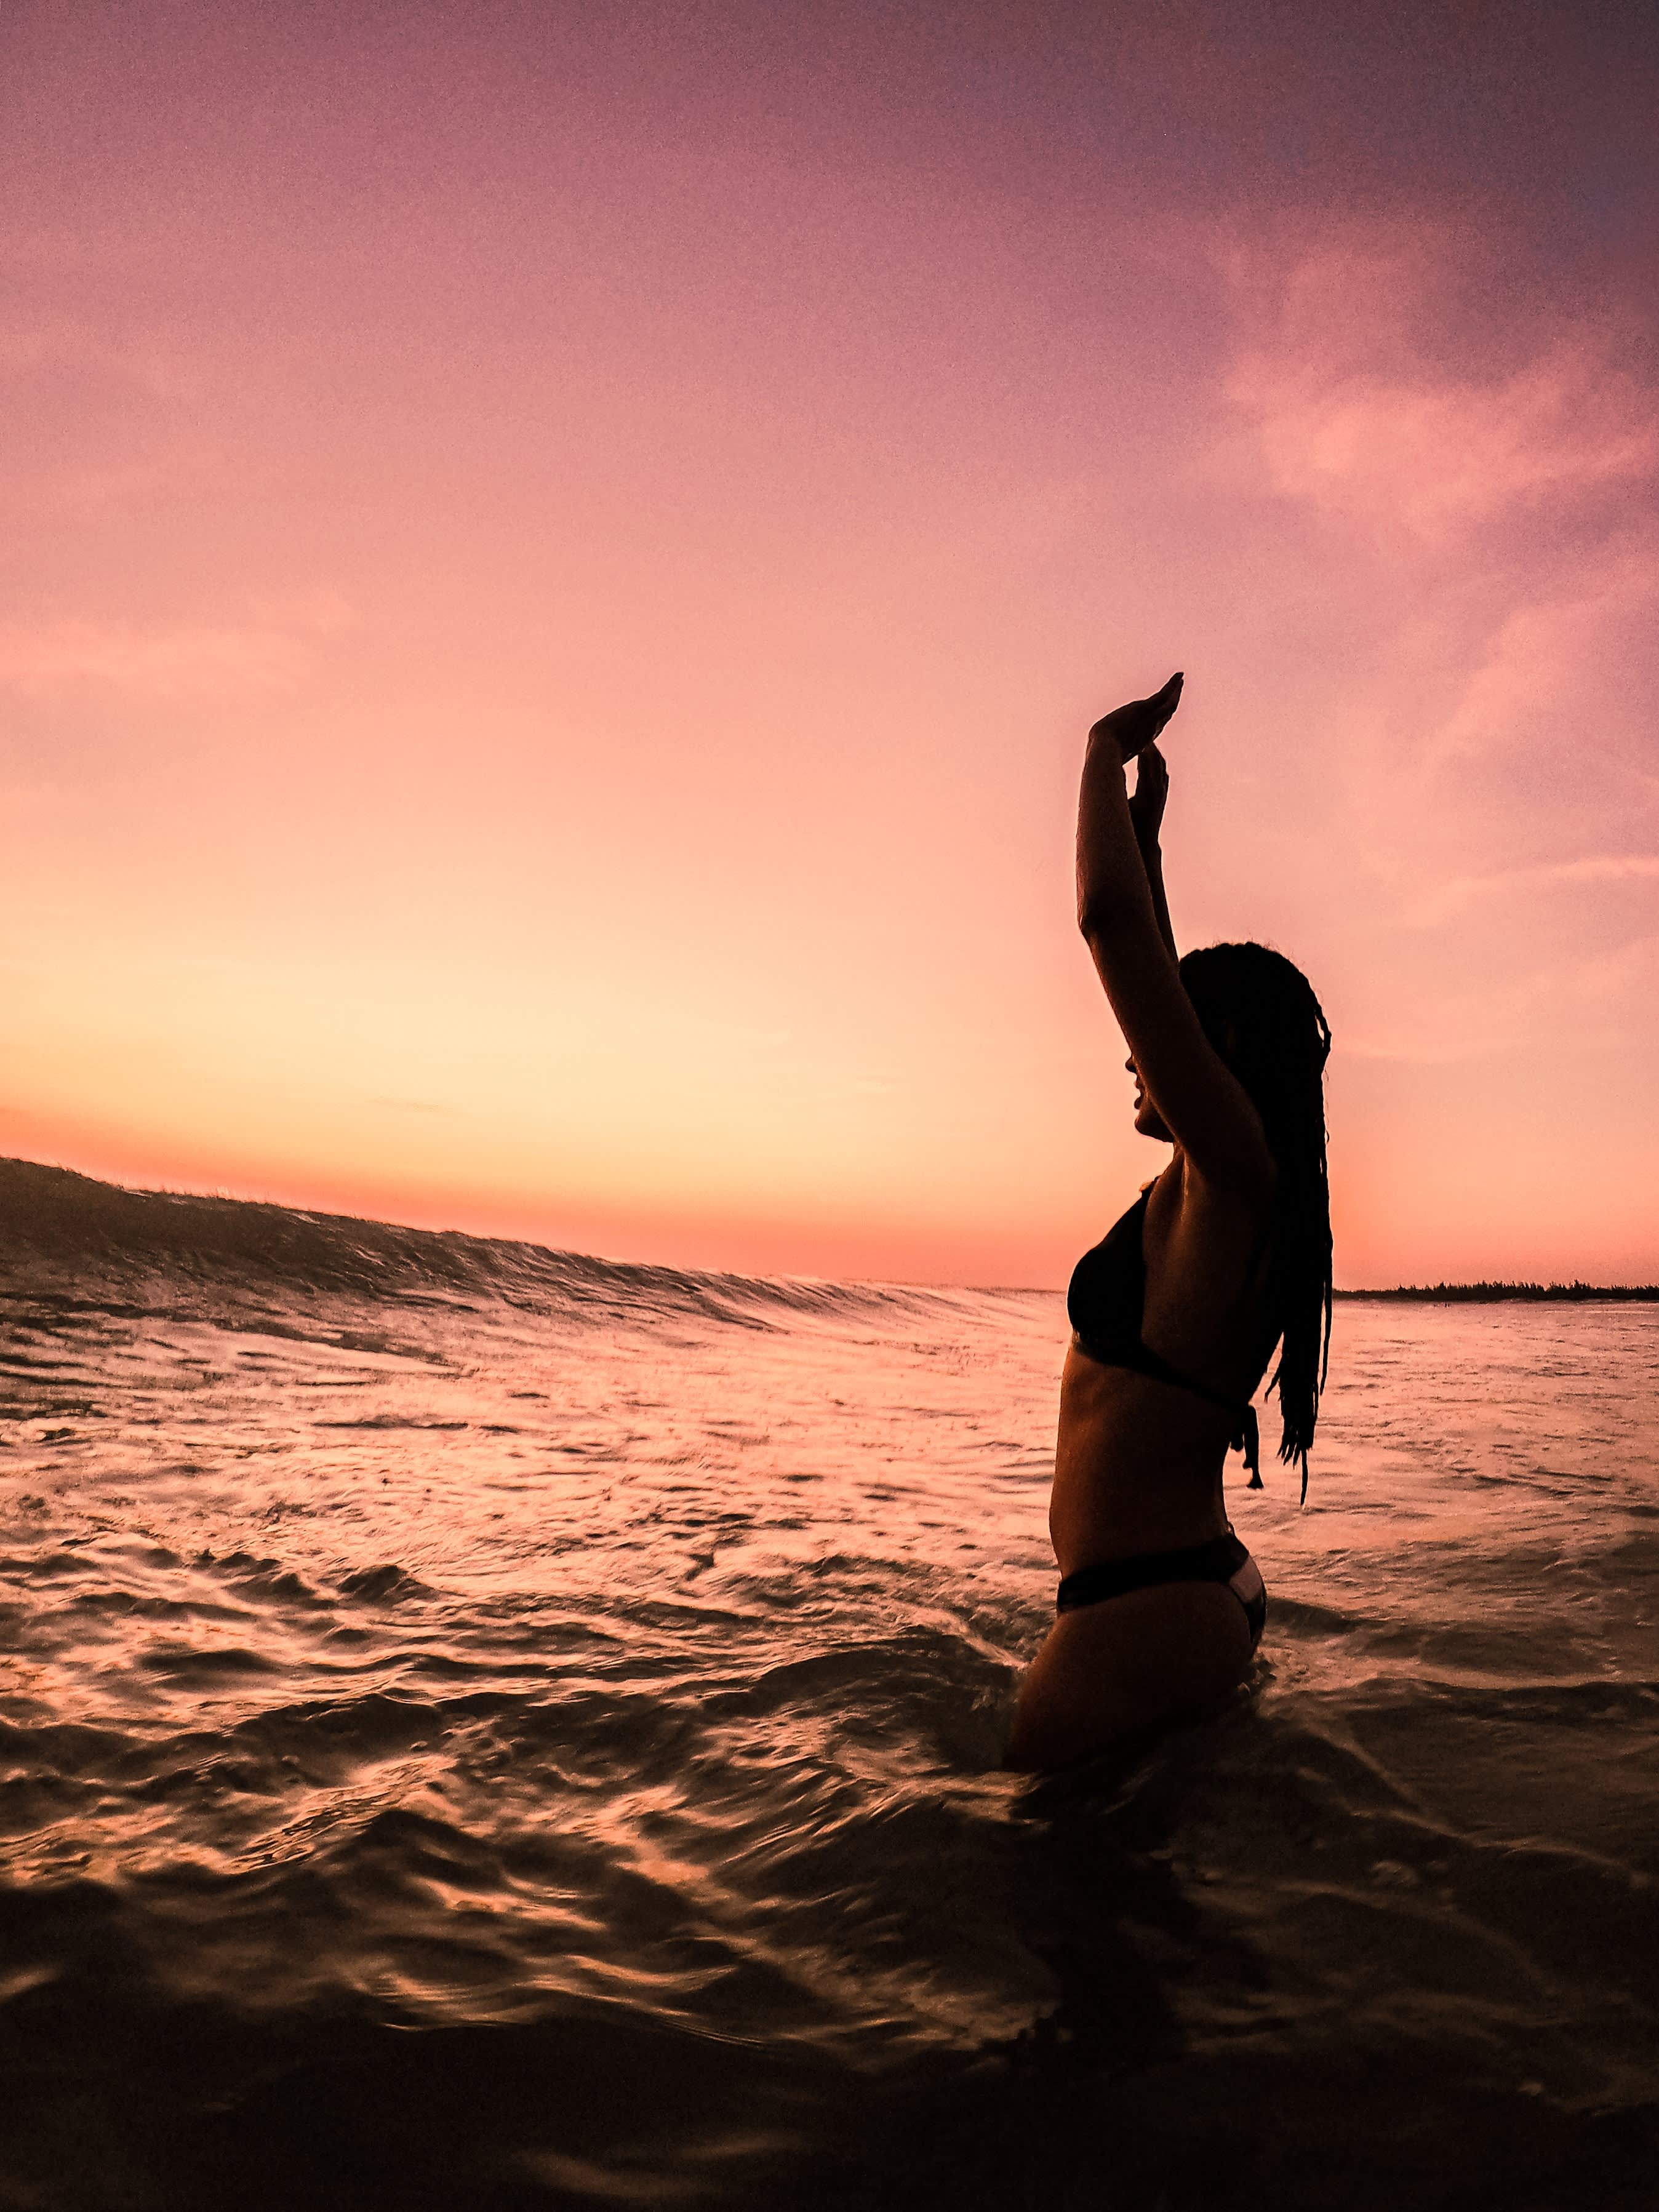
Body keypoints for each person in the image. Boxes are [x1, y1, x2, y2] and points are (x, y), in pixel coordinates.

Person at [1004, 672, 1332, 1771]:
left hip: (1143, 1607)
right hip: (1182, 1587)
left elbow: (1111, 933)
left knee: (1038, 1918)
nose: (1142, 1056)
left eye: (1182, 1040)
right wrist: (1145, 844)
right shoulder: (1236, 1185)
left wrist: (1098, 750)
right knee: (1139, 1922)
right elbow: (1150, 950)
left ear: (1222, 1058)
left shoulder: (1234, 1172)